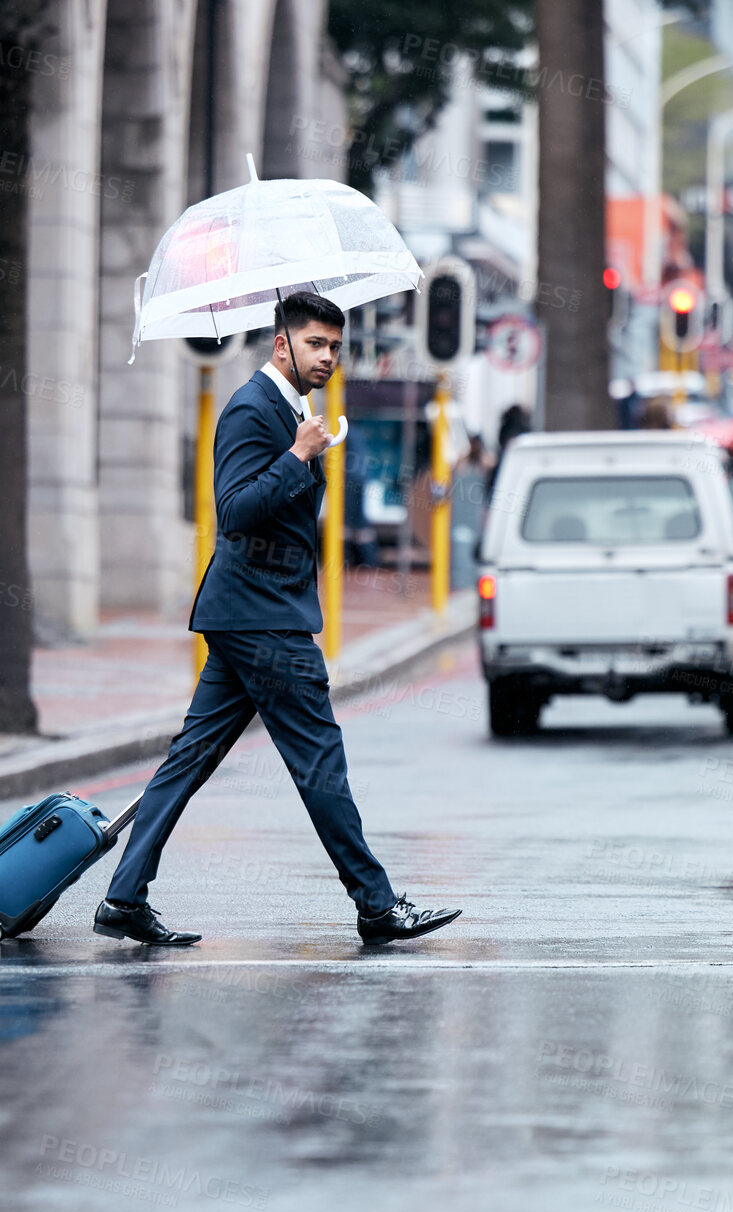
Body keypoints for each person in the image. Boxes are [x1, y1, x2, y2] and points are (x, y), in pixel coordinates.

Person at [95, 291, 462, 948]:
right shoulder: (249, 409)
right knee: (320, 759)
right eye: (316, 343)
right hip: (264, 619)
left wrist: (302, 450)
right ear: (281, 343)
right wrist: (297, 457)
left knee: (189, 760)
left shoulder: (291, 410)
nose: (327, 357)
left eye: (335, 347)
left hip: (251, 613)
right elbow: (232, 510)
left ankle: (123, 896)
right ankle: (376, 903)